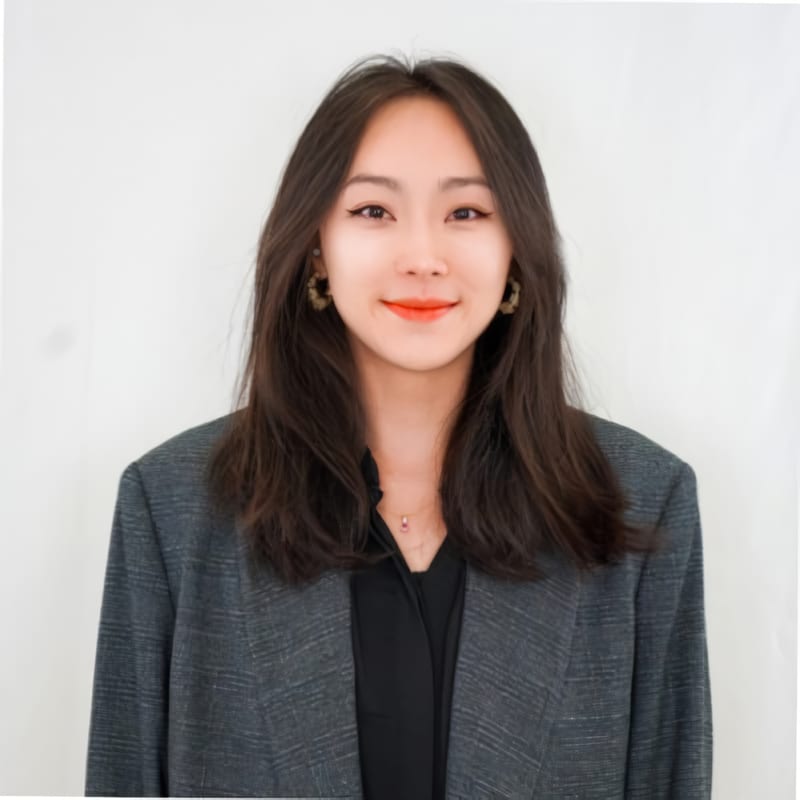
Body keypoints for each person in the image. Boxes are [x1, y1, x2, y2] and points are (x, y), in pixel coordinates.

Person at [85, 53, 712, 798]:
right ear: (316, 247)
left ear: (518, 251)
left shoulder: (639, 501)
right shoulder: (172, 508)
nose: (422, 257)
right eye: (373, 211)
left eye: (467, 213)